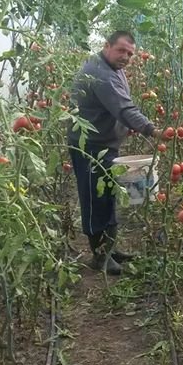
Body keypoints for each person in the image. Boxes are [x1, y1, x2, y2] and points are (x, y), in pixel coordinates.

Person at [67, 30, 159, 275]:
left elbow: (116, 108)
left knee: (108, 194)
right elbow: (124, 107)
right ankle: (99, 257)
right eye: (121, 50)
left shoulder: (112, 68)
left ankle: (110, 249)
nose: (126, 57)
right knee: (94, 199)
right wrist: (152, 130)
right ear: (107, 45)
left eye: (130, 53)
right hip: (89, 147)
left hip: (104, 143)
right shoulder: (101, 74)